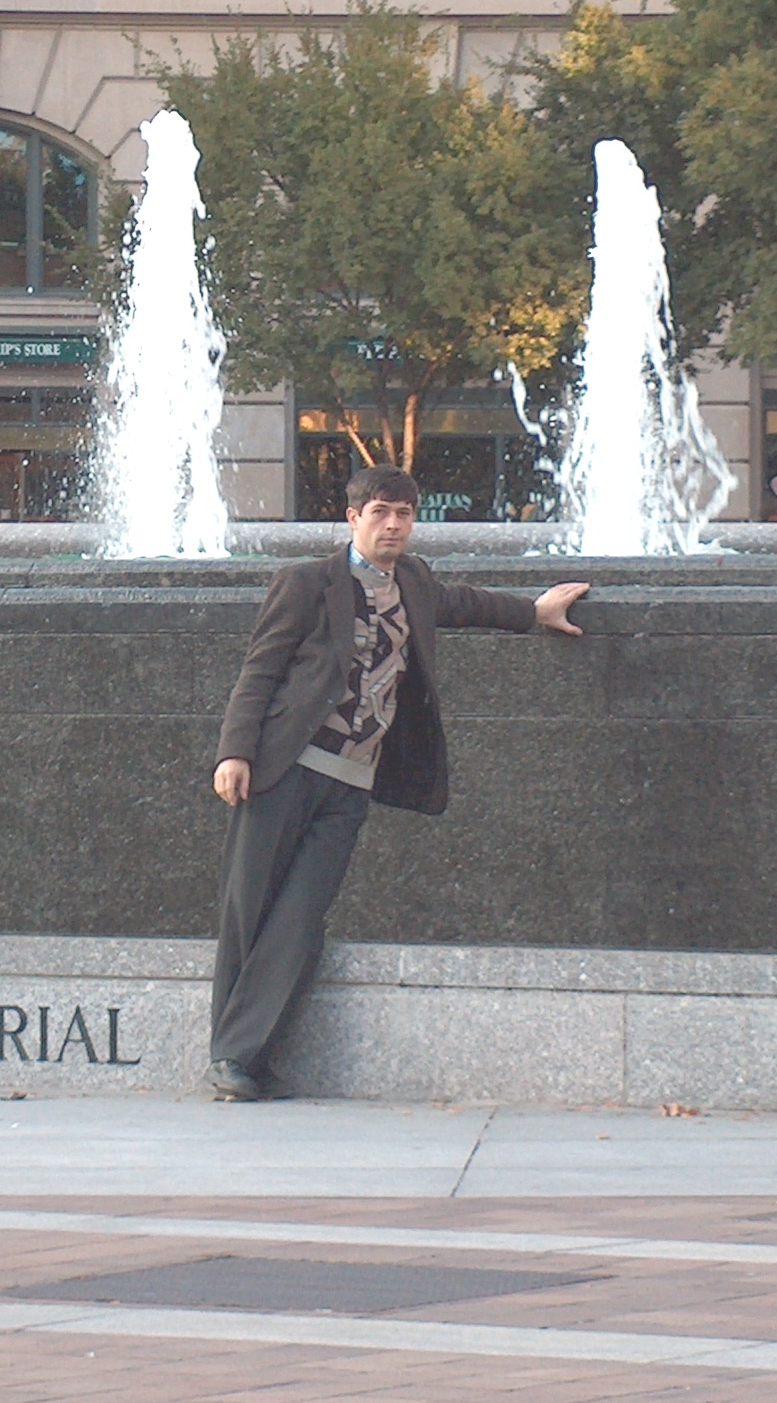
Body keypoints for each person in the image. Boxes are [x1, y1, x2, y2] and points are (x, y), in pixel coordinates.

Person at [205, 464, 590, 1100]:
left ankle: (242, 1056)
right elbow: (260, 670)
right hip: (284, 768)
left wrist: (535, 612)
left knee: (301, 916)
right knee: (249, 908)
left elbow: (467, 605)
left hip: (351, 784)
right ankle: (231, 1057)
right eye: (380, 513)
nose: (392, 525)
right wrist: (235, 752)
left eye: (403, 514)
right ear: (353, 519)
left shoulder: (413, 581)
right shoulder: (306, 583)